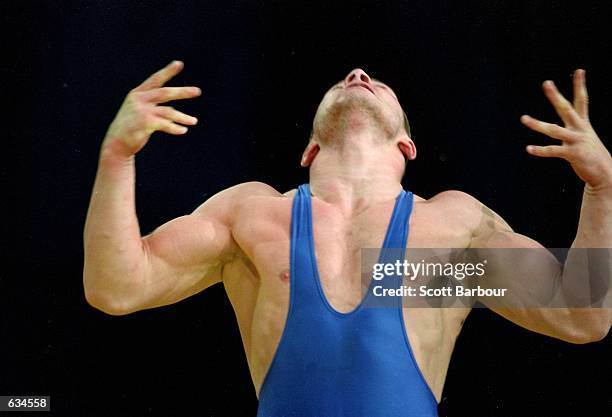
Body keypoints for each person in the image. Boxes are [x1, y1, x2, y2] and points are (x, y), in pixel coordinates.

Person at [83, 61, 611, 416]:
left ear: (407, 144)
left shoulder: (449, 234)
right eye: (345, 79)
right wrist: (116, 159)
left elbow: (581, 314)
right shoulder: (252, 215)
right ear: (310, 149)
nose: (357, 74)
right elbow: (118, 288)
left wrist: (603, 189)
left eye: (376, 82)